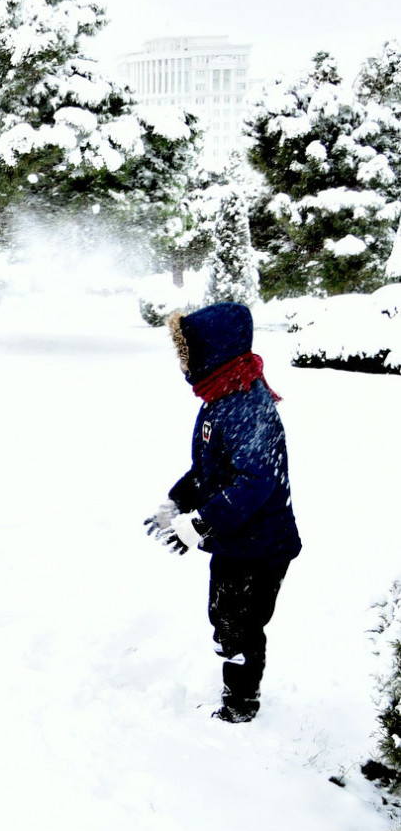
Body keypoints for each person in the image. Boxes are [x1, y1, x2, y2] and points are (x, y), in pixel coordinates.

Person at [146, 302, 301, 723]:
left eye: (189, 353)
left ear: (213, 352)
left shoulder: (246, 406)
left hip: (262, 546)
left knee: (240, 626)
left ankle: (240, 705)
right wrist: (177, 502)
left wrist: (200, 523)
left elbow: (254, 482)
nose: (185, 364)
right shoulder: (221, 397)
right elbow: (210, 468)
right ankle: (236, 691)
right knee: (225, 619)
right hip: (237, 540)